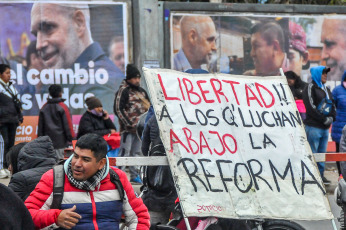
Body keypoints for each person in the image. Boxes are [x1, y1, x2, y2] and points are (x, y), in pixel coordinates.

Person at [25, 133, 150, 229]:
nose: (77, 164)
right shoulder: (54, 178)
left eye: (85, 159)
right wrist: (55, 218)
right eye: (75, 156)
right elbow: (26, 214)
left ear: (101, 163)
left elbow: (139, 217)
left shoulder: (117, 178)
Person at [30, 3, 124, 114]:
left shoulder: (103, 84)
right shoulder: (70, 77)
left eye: (48, 28)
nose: (39, 45)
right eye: (36, 34)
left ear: (79, 23)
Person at [114, 64, 150, 183]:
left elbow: (150, 108)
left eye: (138, 78)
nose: (137, 80)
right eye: (135, 78)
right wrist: (128, 123)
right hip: (128, 130)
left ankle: (135, 175)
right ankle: (118, 176)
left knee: (136, 153)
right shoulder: (124, 90)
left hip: (140, 130)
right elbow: (118, 109)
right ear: (129, 78)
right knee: (125, 153)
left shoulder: (142, 92)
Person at [141, 115, 177, 228]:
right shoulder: (195, 116)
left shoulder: (155, 118)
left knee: (154, 225)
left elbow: (144, 149)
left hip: (157, 189)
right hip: (188, 195)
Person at [302, 66, 336, 184]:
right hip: (314, 127)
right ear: (317, 74)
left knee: (322, 154)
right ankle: (312, 176)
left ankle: (320, 176)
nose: (326, 75)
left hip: (324, 128)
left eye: (326, 73)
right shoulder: (310, 88)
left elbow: (332, 104)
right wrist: (323, 119)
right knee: (313, 153)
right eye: (323, 73)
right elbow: (310, 107)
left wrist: (332, 117)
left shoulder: (326, 89)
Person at [8, 136, 57, 201]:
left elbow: (6, 206)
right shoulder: (61, 173)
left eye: (11, 163)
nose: (9, 168)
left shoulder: (20, 179)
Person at [38, 84, 74, 159]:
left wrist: (40, 141)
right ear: (60, 93)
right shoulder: (63, 106)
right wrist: (71, 138)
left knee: (50, 164)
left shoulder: (44, 107)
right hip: (61, 143)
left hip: (47, 143)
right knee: (60, 164)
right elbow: (68, 125)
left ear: (50, 94)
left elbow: (40, 127)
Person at [0, 64, 23, 176]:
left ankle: (9, 165)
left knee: (11, 144)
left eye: (10, 73)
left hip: (12, 119)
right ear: (0, 74)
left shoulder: (11, 87)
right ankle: (2, 166)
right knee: (4, 143)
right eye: (7, 73)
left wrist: (19, 117)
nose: (9, 75)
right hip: (2, 121)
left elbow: (17, 103)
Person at [332, 70, 346, 175]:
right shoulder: (337, 90)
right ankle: (341, 175)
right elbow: (333, 106)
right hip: (339, 127)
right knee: (340, 153)